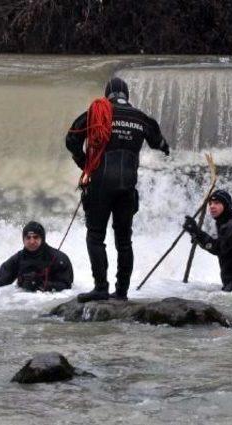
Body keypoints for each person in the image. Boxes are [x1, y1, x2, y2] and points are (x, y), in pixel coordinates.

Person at [66, 77, 170, 302]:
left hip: (100, 185)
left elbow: (71, 140)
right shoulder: (141, 118)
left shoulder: (96, 113)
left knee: (95, 237)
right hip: (127, 187)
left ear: (107, 94)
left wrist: (85, 164)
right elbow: (158, 143)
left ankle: (101, 288)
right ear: (127, 95)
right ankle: (122, 292)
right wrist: (165, 147)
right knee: (124, 241)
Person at [182, 189, 232, 293]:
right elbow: (217, 245)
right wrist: (196, 235)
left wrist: (198, 233)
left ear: (226, 205)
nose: (212, 206)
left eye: (217, 203)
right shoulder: (225, 223)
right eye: (210, 203)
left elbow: (219, 248)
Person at [0, 221, 73, 295]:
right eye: (28, 238)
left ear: (42, 239)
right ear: (23, 240)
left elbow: (66, 286)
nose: (32, 241)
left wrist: (43, 284)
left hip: (50, 299)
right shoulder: (17, 259)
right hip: (25, 301)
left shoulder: (59, 259)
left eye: (36, 237)